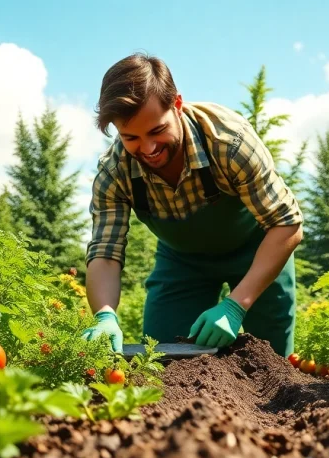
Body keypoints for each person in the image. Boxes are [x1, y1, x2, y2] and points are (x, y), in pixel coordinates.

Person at [81, 53, 304, 357]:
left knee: (273, 365)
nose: (148, 149)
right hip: (181, 262)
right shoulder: (115, 171)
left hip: (259, 250)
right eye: (131, 137)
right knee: (165, 361)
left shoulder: (229, 141)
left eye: (157, 131)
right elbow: (105, 251)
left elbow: (287, 223)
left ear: (177, 104)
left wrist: (236, 305)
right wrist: (105, 314)